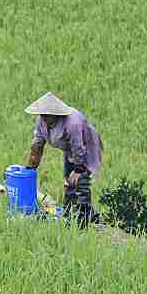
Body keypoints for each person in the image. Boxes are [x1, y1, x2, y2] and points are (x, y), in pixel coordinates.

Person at [24, 92, 103, 226]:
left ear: (55, 114)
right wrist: (31, 165)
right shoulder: (41, 121)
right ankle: (68, 214)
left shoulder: (72, 122)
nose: (43, 117)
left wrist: (78, 169)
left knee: (81, 183)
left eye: (46, 115)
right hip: (70, 149)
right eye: (41, 114)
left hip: (86, 147)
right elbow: (38, 142)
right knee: (68, 181)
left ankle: (85, 219)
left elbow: (79, 147)